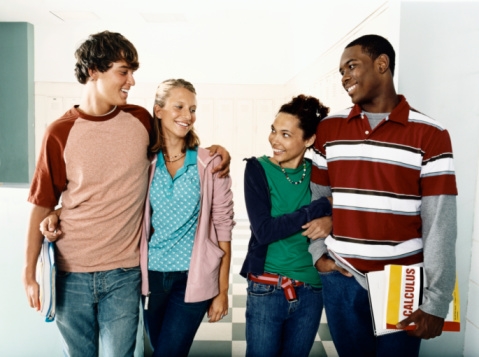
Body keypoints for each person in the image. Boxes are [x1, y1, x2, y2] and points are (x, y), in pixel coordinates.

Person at [23, 31, 230, 357]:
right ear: (94, 70)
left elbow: (174, 142)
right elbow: (41, 204)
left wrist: (216, 151)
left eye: (133, 72)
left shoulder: (139, 120)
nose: (132, 81)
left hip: (125, 272)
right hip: (70, 273)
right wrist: (30, 271)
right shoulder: (59, 133)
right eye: (124, 71)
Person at [309, 34, 458, 356]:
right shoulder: (329, 130)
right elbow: (315, 199)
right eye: (341, 72)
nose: (345, 76)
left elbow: (440, 223)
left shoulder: (431, 134)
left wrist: (437, 301)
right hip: (342, 277)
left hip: (401, 282)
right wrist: (319, 255)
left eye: (352, 66)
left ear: (382, 64)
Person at [138, 78, 235, 357]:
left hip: (192, 276)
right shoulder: (144, 161)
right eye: (178, 107)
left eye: (192, 109)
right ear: (158, 110)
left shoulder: (209, 163)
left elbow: (223, 226)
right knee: (160, 348)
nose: (187, 116)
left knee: (169, 352)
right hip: (150, 277)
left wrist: (222, 290)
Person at [241, 95, 332, 357]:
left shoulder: (318, 172)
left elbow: (344, 207)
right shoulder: (257, 169)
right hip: (266, 288)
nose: (274, 140)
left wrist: (331, 218)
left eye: (285, 134)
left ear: (309, 140)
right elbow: (265, 230)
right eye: (273, 130)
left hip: (312, 290)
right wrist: (320, 207)